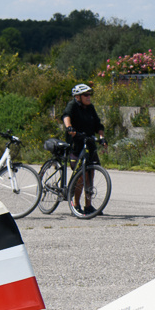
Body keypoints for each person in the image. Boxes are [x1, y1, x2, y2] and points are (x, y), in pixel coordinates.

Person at [63, 83, 106, 216]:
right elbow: (66, 116)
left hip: (89, 144)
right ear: (78, 96)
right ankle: (76, 204)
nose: (89, 97)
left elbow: (98, 124)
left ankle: (88, 206)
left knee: (90, 175)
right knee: (81, 176)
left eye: (89, 95)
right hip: (77, 145)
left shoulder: (90, 108)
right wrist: (69, 127)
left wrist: (101, 137)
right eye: (86, 95)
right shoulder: (73, 105)